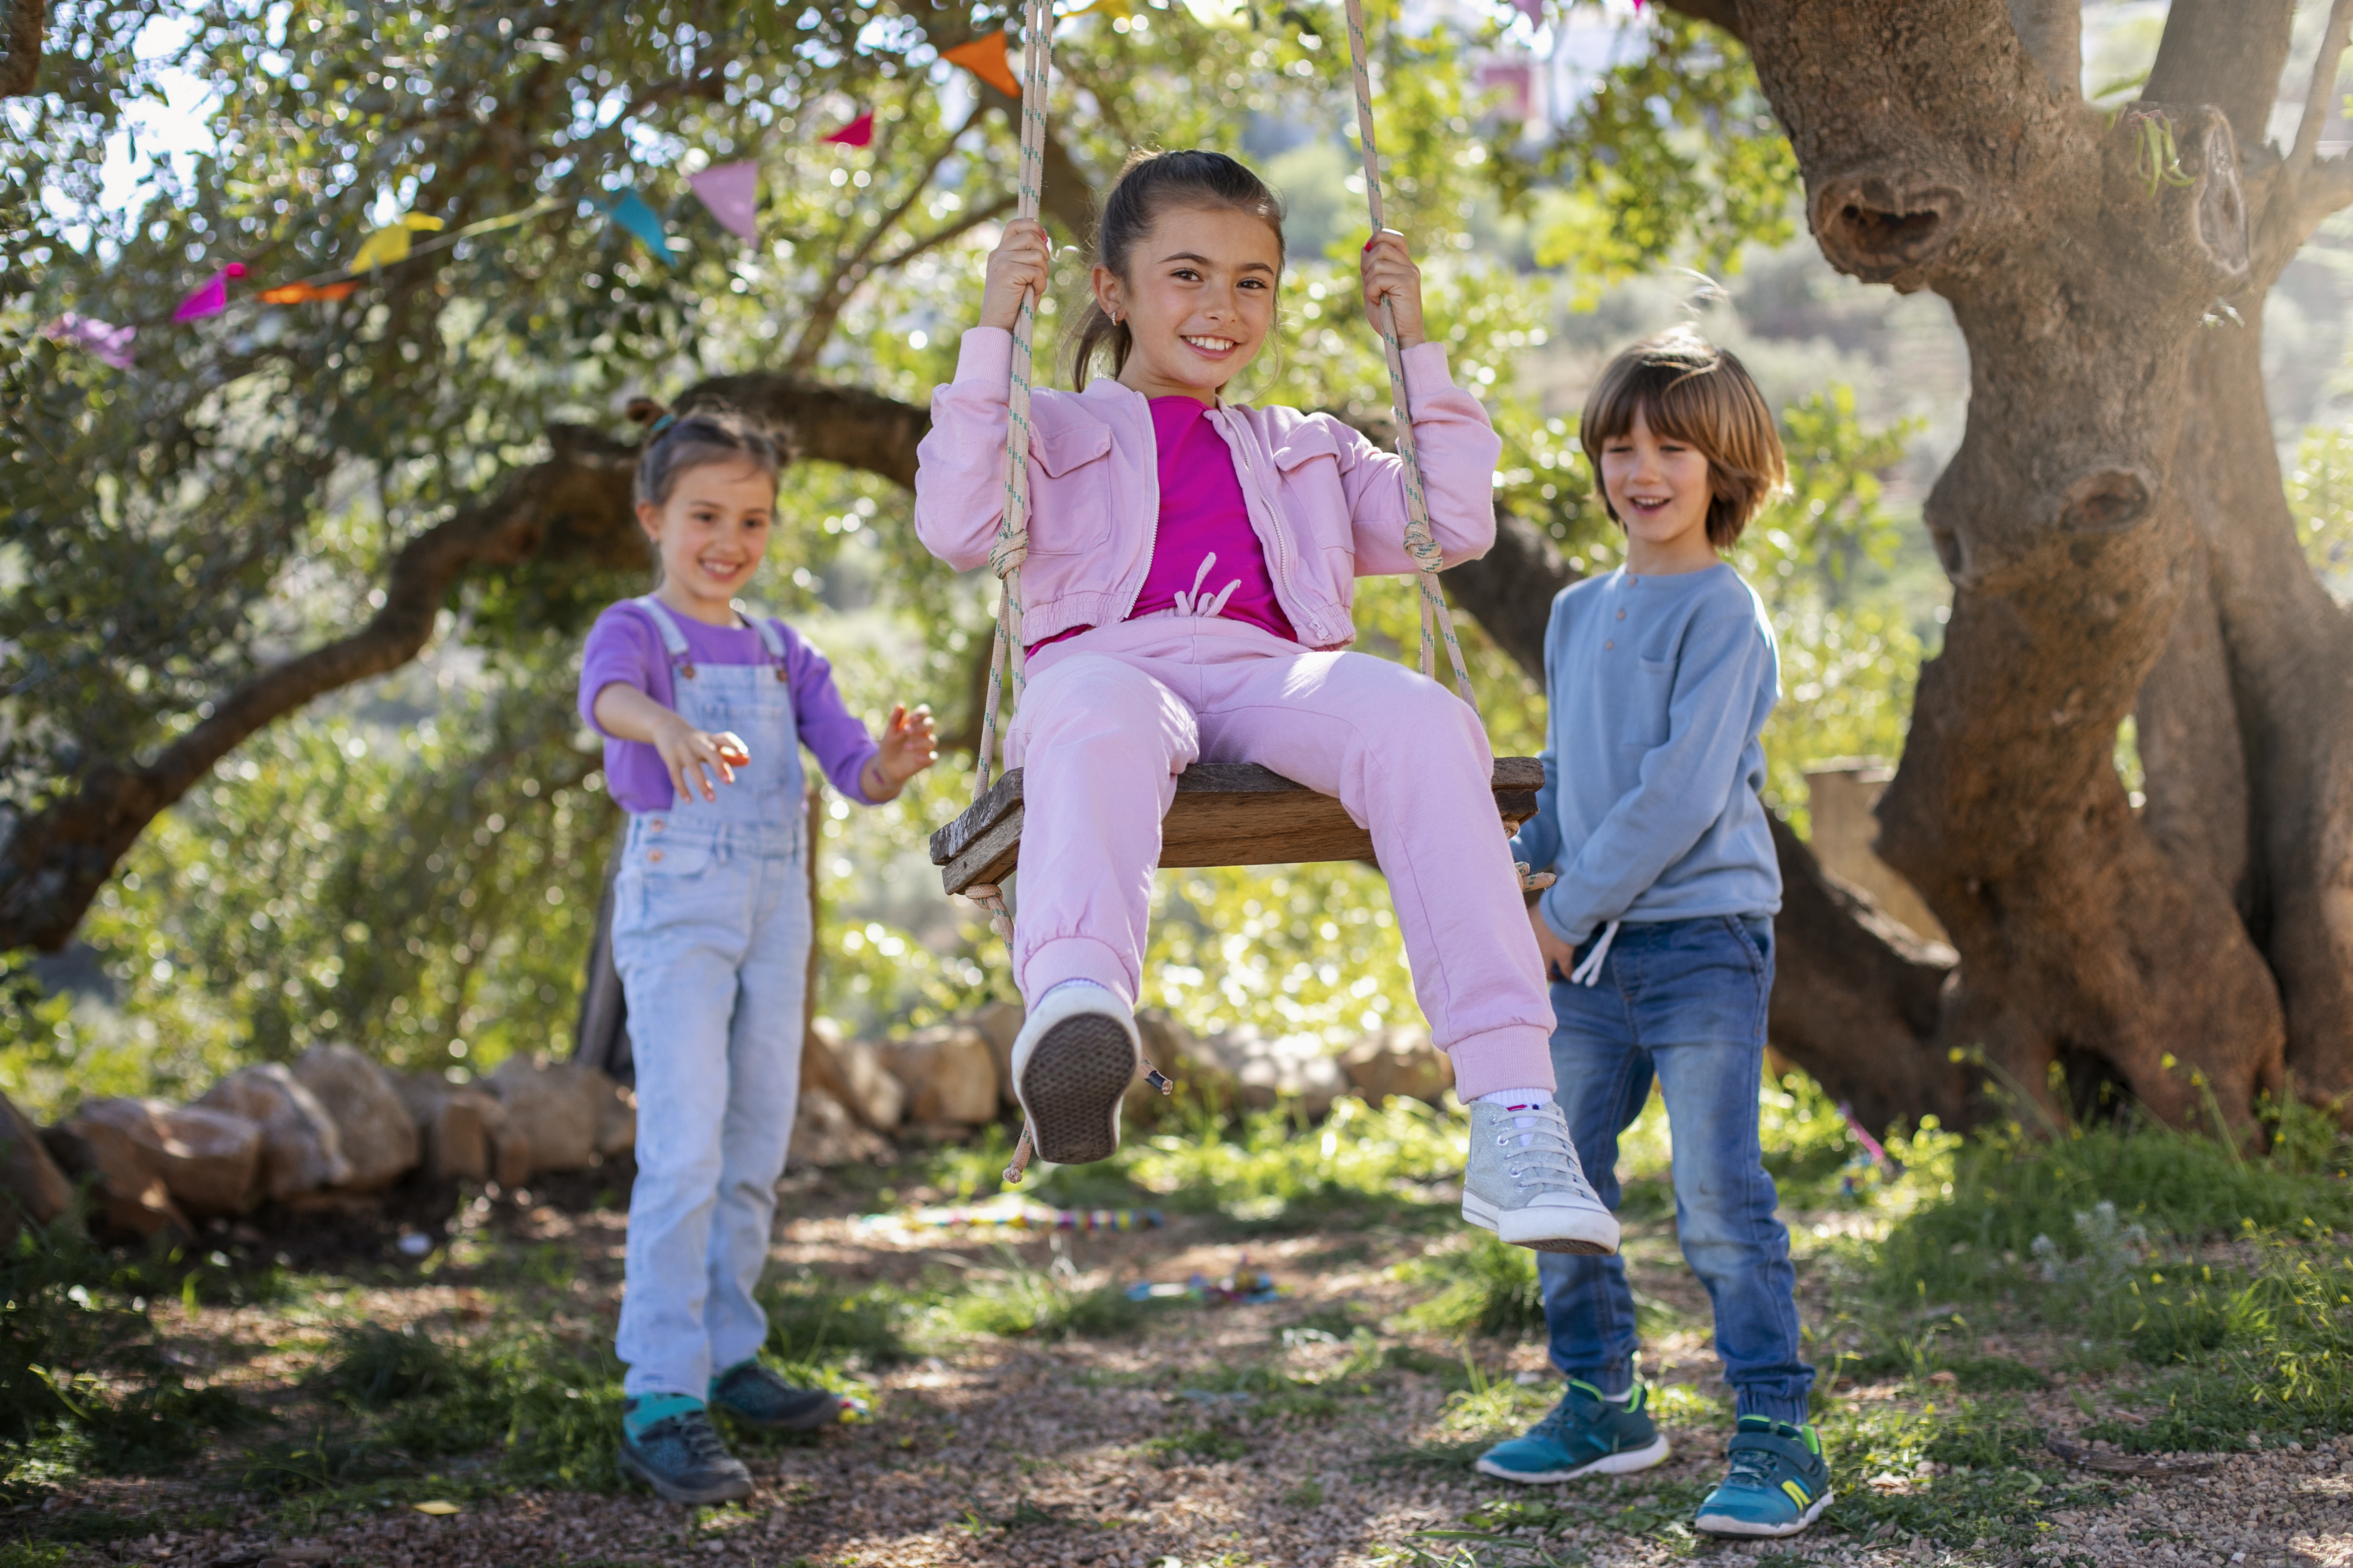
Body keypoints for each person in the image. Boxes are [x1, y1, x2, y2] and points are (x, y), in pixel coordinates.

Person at [912, 147, 1615, 1255]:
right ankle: (1077, 1007)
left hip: (1273, 674)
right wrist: (991, 336)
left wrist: (1416, 345)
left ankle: (1516, 1111)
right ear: (1114, 289)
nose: (1223, 307)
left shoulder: (1310, 448)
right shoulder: (1045, 428)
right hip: (1107, 664)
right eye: (1187, 274)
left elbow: (1450, 527)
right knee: (1096, 714)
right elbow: (958, 525)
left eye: (1253, 281)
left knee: (1429, 720)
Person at [1473, 328, 1829, 1539]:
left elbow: (1679, 794)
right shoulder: (1577, 613)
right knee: (1559, 1181)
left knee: (1715, 1191)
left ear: (1724, 468)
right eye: (1620, 445)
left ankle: (1778, 1431)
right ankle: (1602, 1400)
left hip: (1700, 942)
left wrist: (1560, 913)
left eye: (1671, 447)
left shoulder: (1724, 612)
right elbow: (1573, 783)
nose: (1641, 468)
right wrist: (1519, 889)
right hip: (1584, 954)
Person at [580, 407, 938, 1505]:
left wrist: (889, 762)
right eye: (705, 517)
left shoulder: (789, 652)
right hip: (679, 905)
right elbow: (608, 698)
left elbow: (850, 772)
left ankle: (731, 1355)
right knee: (684, 1143)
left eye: (753, 519)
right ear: (655, 518)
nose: (729, 540)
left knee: (753, 1140)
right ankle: (660, 1392)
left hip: (777, 910)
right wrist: (668, 729)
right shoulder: (638, 630)